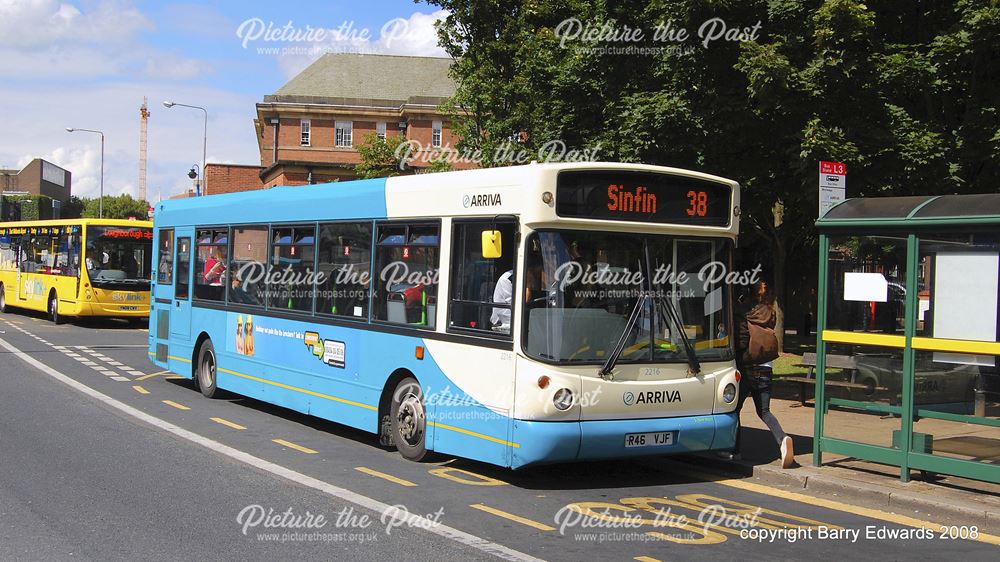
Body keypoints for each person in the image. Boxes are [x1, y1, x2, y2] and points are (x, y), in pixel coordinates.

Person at [724, 280, 794, 468]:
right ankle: (782, 440)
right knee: (764, 411)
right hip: (767, 367)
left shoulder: (744, 311)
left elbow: (741, 340)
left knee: (734, 410)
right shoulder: (769, 313)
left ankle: (734, 450)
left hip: (748, 368)